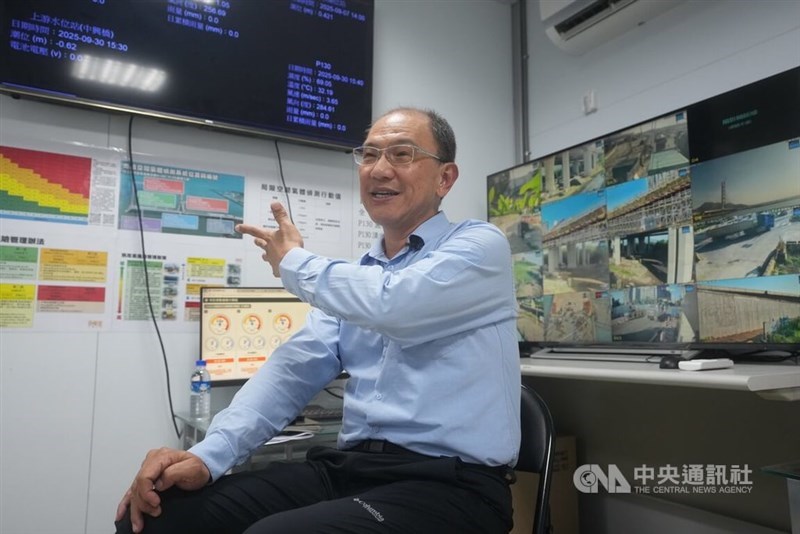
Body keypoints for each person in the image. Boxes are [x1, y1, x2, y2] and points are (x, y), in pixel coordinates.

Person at [114, 107, 521, 534]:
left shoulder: (480, 247)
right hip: (351, 468)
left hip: (450, 485)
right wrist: (207, 456)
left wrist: (293, 261)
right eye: (369, 155)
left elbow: (395, 306)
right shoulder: (357, 279)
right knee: (158, 518)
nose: (379, 169)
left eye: (402, 154)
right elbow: (291, 372)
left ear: (445, 178)